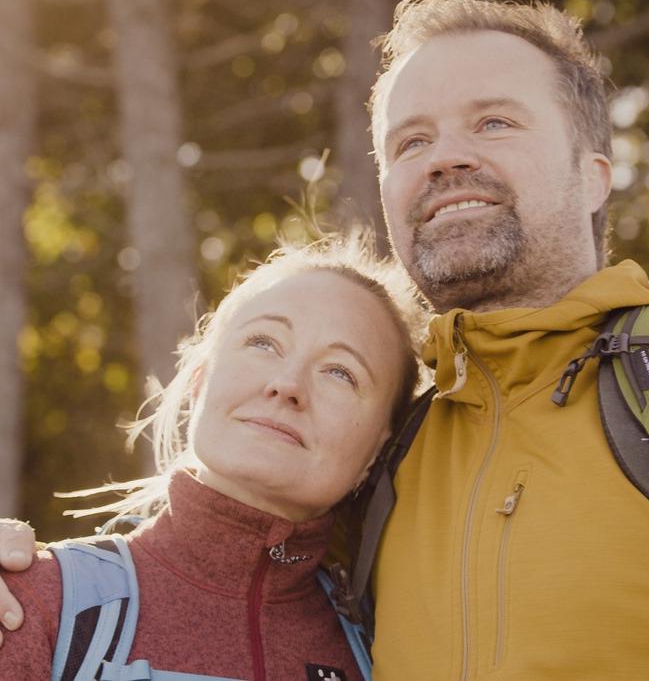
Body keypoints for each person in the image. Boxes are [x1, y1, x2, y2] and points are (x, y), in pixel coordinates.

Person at [2, 0, 649, 679]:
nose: (445, 157)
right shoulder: (400, 450)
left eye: (494, 122)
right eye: (412, 140)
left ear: (596, 173)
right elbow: (228, 548)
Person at [0, 234, 424, 680]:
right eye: (264, 342)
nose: (288, 384)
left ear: (378, 446)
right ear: (200, 380)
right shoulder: (34, 605)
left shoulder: (389, 650)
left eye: (341, 372)